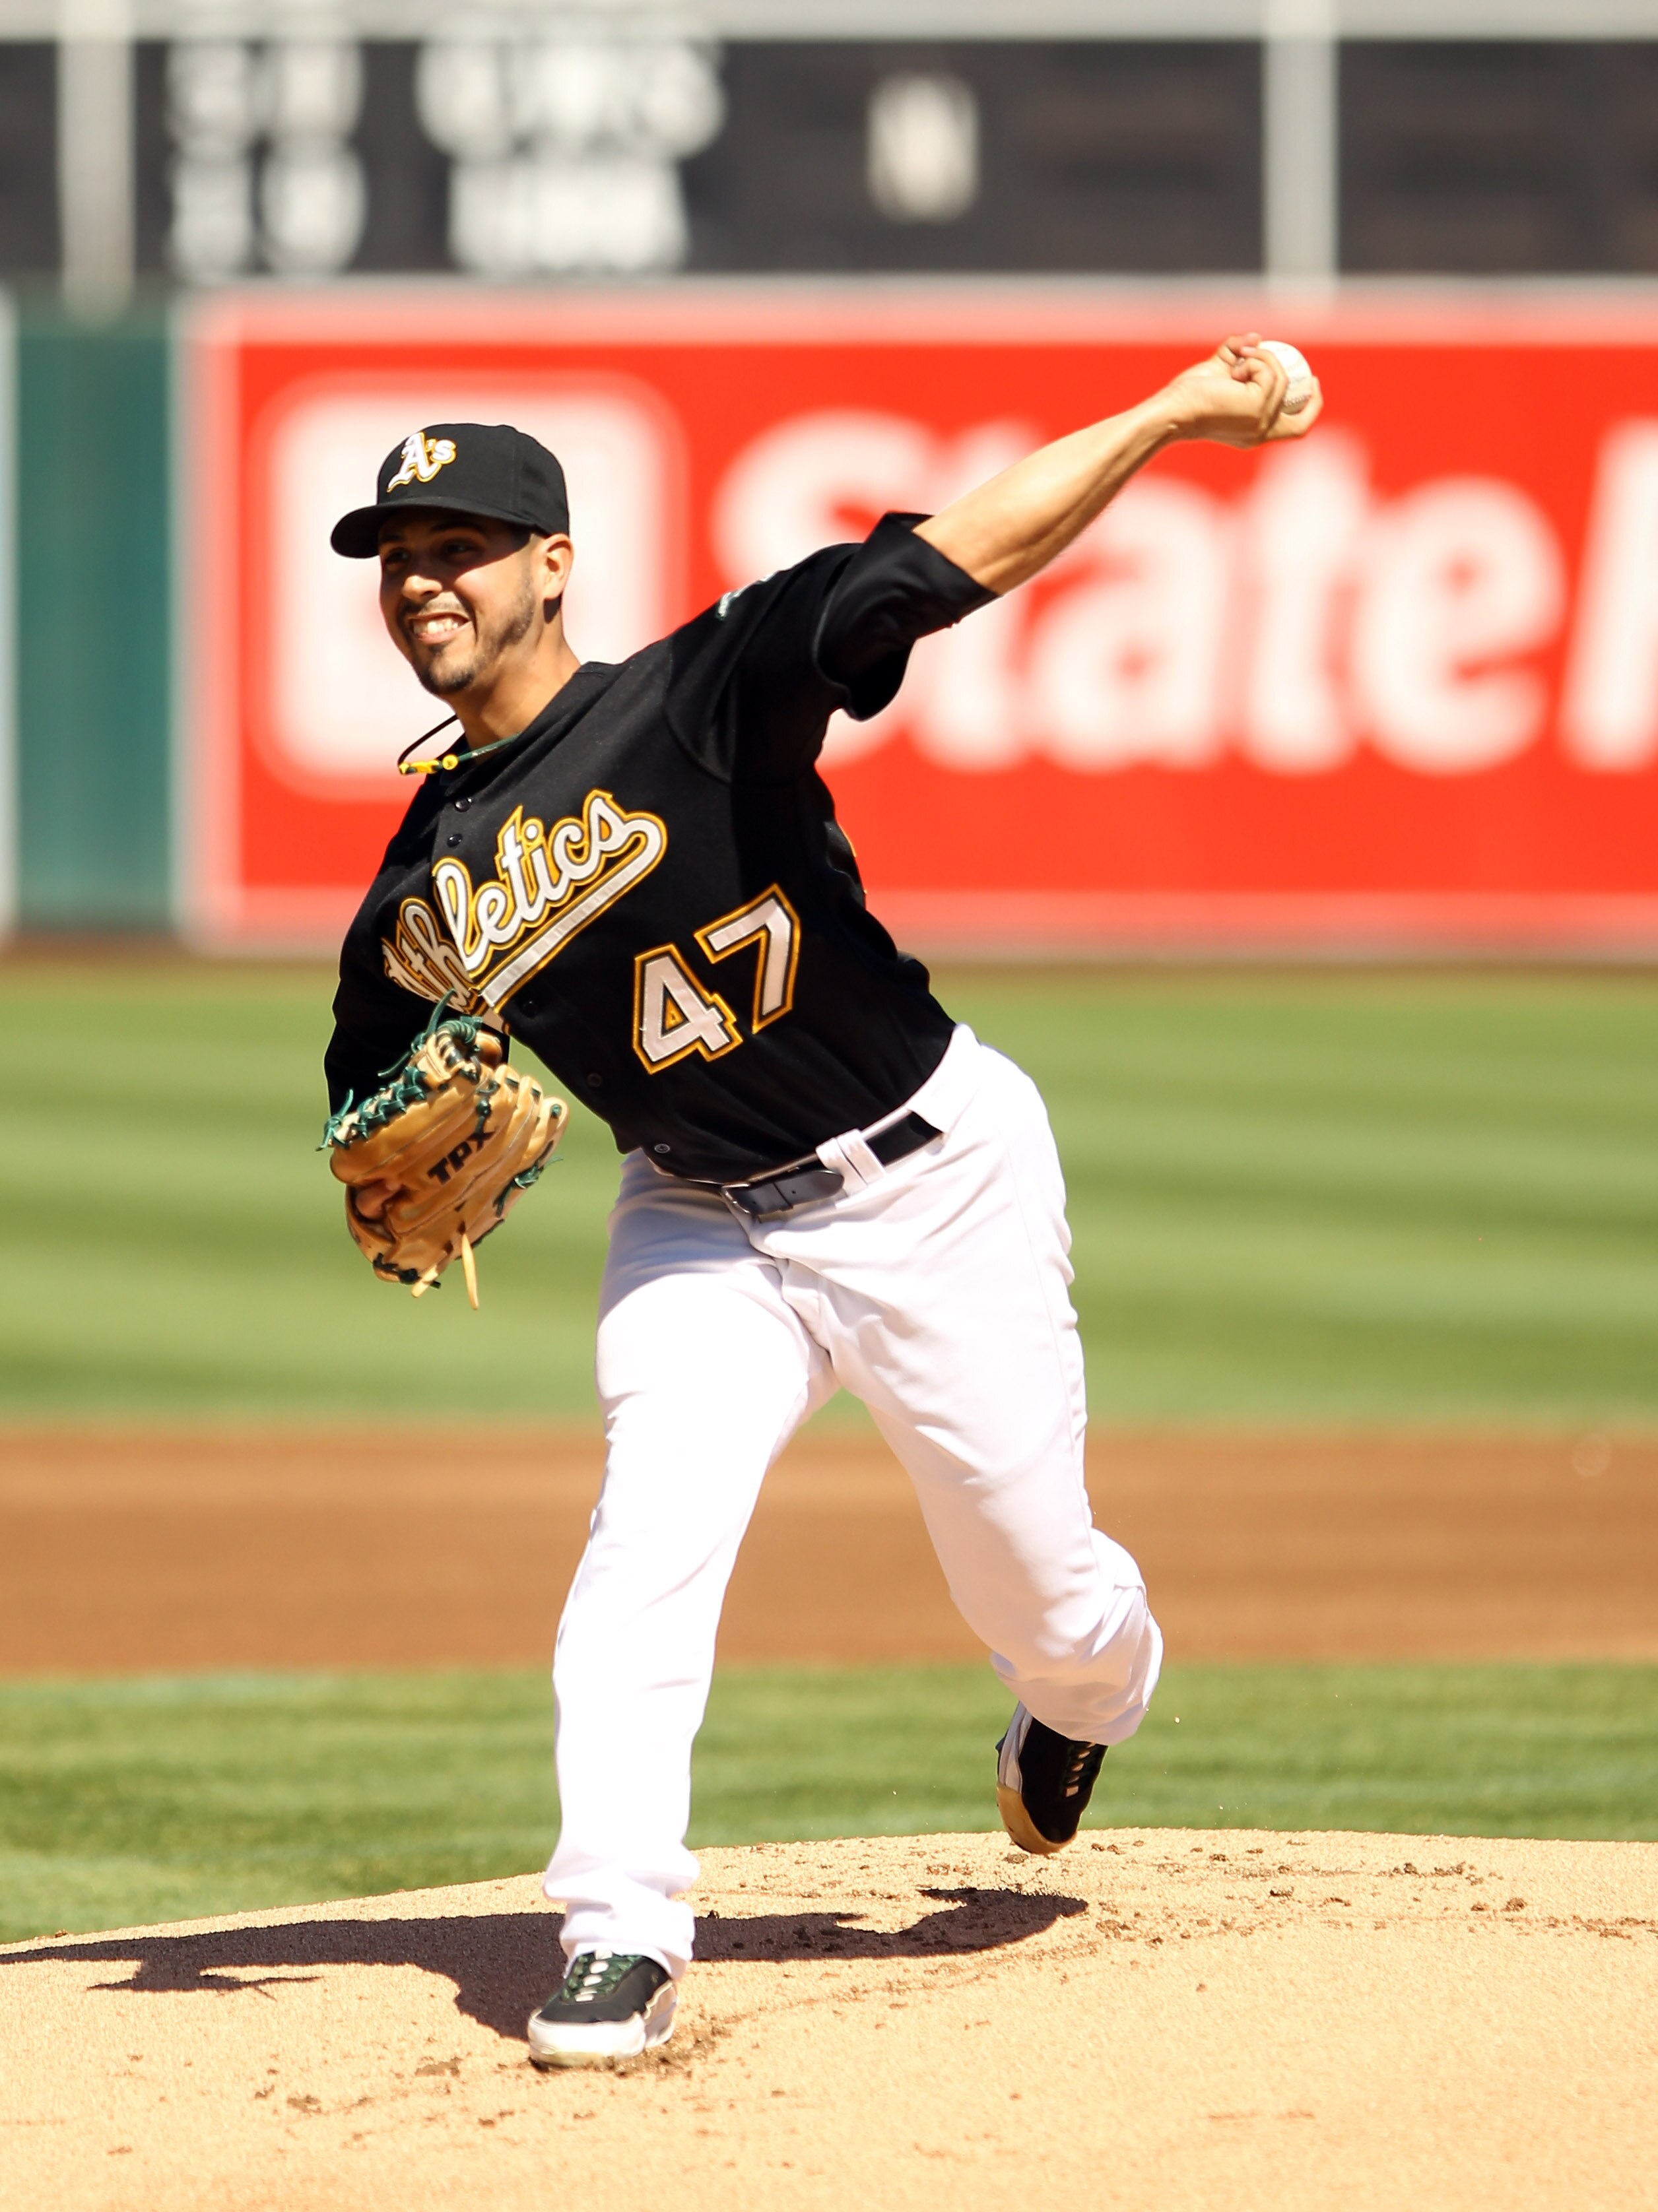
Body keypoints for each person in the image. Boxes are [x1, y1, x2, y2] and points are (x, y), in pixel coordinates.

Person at [323, 336, 1322, 2067]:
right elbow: (370, 1101)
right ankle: (620, 1926)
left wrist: (1166, 414)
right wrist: (382, 1146)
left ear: (555, 564)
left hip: (939, 1178)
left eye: (461, 544)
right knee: (647, 1542)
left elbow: (945, 560)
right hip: (702, 1222)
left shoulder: (701, 689)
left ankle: (1081, 1703)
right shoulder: (422, 873)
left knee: (1048, 1597)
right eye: (399, 555)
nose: (424, 579)